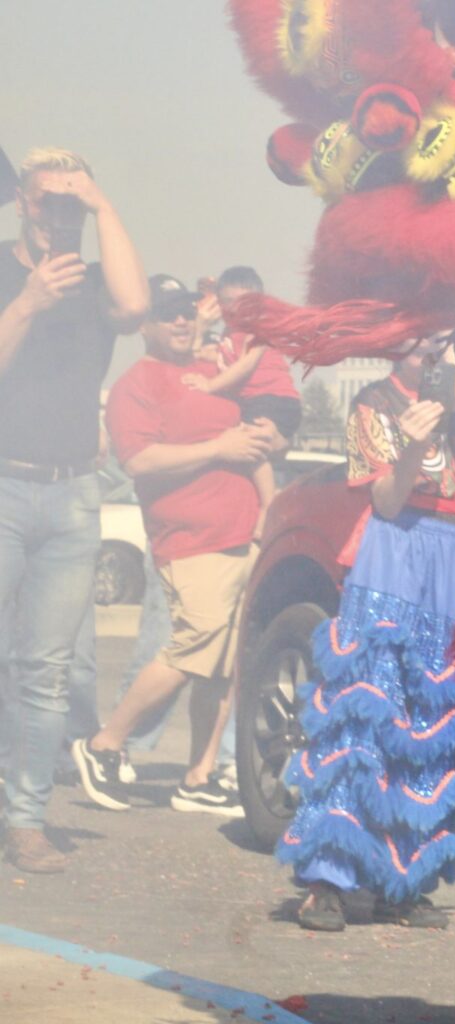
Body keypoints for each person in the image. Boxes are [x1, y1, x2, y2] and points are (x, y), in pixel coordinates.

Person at [277, 330, 455, 932]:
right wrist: (413, 446)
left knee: (434, 715)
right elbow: (388, 502)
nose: (433, 348)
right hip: (395, 547)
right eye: (424, 338)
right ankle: (328, 879)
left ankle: (406, 880)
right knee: (368, 708)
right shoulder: (374, 401)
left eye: (445, 337)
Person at [71, 275, 275, 817]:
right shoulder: (136, 385)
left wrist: (268, 496)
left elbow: (253, 438)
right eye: (167, 313)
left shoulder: (213, 373)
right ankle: (104, 744)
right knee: (191, 648)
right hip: (191, 540)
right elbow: (139, 460)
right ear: (144, 324)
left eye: (186, 311)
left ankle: (199, 777)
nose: (181, 321)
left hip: (245, 534)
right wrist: (218, 448)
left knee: (224, 666)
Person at [0, 147, 148, 873]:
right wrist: (28, 302)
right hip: (3, 484)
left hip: (72, 495)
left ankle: (26, 820)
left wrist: (103, 203)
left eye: (71, 203)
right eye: (47, 200)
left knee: (46, 670)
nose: (57, 214)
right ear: (24, 204)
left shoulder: (96, 284)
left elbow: (137, 309)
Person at [187, 266, 302, 449]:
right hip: (257, 401)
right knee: (249, 446)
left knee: (248, 446)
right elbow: (227, 357)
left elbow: (245, 365)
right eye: (228, 301)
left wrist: (210, 385)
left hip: (273, 400)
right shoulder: (231, 332)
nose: (235, 308)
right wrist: (201, 350)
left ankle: (265, 470)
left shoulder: (258, 328)